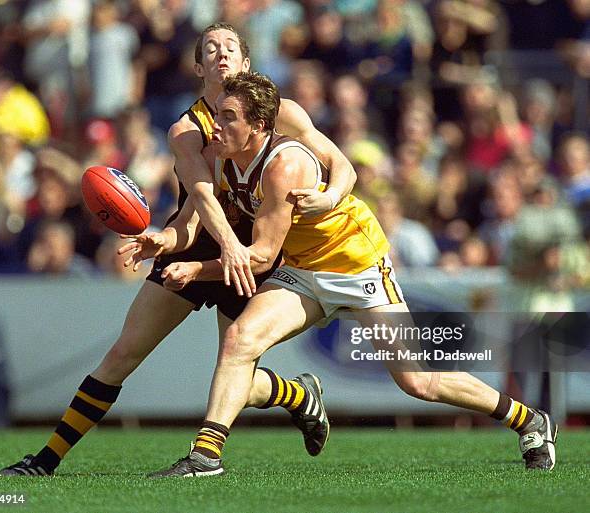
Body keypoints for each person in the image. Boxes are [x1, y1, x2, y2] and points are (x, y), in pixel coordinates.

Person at [142, 71, 557, 477]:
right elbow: (198, 217)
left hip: (356, 266)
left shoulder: (283, 166)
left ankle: (529, 420)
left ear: (259, 126)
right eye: (218, 113)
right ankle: (205, 457)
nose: (217, 124)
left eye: (229, 116)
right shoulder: (222, 157)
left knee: (419, 382)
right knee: (239, 339)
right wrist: (167, 240)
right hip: (304, 270)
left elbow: (261, 257)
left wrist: (197, 268)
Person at [0, 22, 356, 477]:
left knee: (236, 371)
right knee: (123, 353)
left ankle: (289, 402)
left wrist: (329, 197)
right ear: (197, 67)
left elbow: (339, 163)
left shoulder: (279, 112)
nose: (221, 53)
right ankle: (45, 462)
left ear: (247, 63)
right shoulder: (187, 131)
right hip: (211, 243)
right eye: (210, 48)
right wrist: (168, 240)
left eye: (230, 47)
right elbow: (199, 206)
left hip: (255, 252)